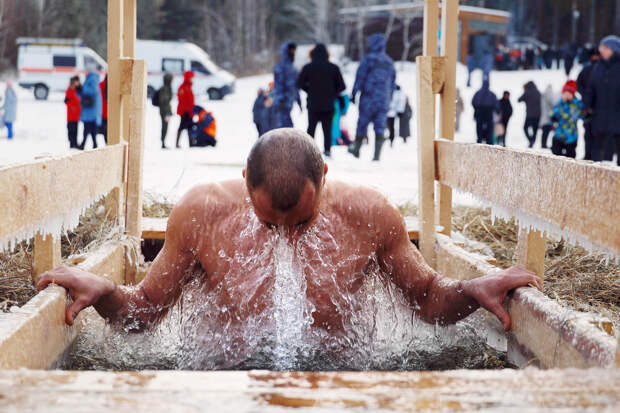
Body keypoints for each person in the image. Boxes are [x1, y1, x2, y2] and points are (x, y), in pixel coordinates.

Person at [37, 129, 541, 356]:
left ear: (323, 177)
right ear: (244, 183)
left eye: (301, 222)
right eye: (269, 224)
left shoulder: (367, 213)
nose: (286, 237)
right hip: (231, 382)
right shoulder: (203, 212)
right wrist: (103, 291)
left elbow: (427, 298)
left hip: (338, 378)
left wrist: (474, 288)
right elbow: (145, 312)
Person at [349, 33, 396, 161]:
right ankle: (376, 155)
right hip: (383, 100)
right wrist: (389, 98)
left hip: (368, 99)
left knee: (362, 124)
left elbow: (360, 78)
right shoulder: (389, 62)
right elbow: (392, 83)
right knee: (380, 126)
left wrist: (354, 94)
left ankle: (356, 149)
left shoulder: (368, 59)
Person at [297, 43, 346, 158]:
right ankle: (327, 151)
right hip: (328, 105)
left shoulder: (308, 67)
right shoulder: (333, 68)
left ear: (312, 54)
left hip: (313, 104)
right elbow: (342, 86)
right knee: (327, 129)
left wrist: (309, 90)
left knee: (311, 128)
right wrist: (332, 93)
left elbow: (299, 83)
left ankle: (308, 152)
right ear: (326, 54)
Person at [584, 35, 620, 165]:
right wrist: (587, 106)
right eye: (601, 47)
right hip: (600, 115)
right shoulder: (598, 67)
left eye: (605, 48)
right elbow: (591, 89)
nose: (601, 50)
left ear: (614, 50)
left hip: (617, 116)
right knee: (596, 151)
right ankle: (594, 179)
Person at [577, 48, 600, 160]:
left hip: (593, 108)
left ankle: (592, 155)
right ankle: (590, 155)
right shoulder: (588, 70)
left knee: (591, 134)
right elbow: (579, 85)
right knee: (590, 134)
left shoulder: (589, 70)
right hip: (591, 108)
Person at [550, 80, 582, 159]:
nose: (566, 96)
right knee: (556, 155)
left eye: (569, 94)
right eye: (565, 94)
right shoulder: (559, 104)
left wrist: (586, 115)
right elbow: (552, 112)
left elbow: (581, 114)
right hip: (559, 134)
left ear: (573, 95)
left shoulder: (576, 104)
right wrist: (553, 117)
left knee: (570, 156)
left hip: (571, 135)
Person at [273, 42, 301, 128]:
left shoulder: (294, 68)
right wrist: (280, 100)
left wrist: (299, 101)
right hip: (282, 104)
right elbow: (278, 85)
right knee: (284, 128)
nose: (293, 53)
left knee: (286, 128)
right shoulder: (280, 68)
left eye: (294, 51)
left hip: (289, 103)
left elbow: (296, 86)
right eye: (291, 51)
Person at [79, 72, 102, 150]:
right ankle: (93, 144)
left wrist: (82, 88)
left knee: (88, 129)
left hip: (91, 112)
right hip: (91, 112)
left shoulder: (92, 80)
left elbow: (91, 91)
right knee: (90, 130)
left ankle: (86, 144)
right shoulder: (92, 80)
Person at [472, 80, 498, 145]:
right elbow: (496, 104)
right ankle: (489, 142)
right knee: (489, 129)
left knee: (479, 128)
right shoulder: (492, 94)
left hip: (479, 113)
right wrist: (496, 110)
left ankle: (479, 140)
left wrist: (477, 108)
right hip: (488, 113)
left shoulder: (478, 93)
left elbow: (473, 102)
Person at [518, 81, 541, 148]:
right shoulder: (538, 92)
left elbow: (519, 100)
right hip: (538, 115)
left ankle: (530, 140)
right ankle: (533, 140)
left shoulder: (527, 92)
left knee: (525, 128)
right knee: (535, 129)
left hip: (529, 115)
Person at [64, 76, 81, 149]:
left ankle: (75, 143)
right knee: (71, 129)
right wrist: (72, 106)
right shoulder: (69, 90)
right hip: (71, 115)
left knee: (75, 129)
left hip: (76, 114)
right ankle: (72, 143)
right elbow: (67, 101)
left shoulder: (78, 90)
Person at [158, 73, 173, 149]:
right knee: (165, 126)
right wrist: (167, 111)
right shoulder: (165, 89)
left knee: (165, 126)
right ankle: (163, 142)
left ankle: (163, 142)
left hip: (166, 111)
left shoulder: (167, 88)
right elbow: (164, 101)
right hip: (165, 112)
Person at [540, 85, 558, 149]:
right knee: (546, 131)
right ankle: (544, 145)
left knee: (546, 131)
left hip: (545, 117)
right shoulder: (549, 95)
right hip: (548, 117)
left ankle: (544, 144)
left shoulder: (543, 96)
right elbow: (553, 103)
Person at [99, 74, 108, 144]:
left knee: (104, 130)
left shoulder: (100, 85)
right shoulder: (113, 86)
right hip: (110, 112)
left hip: (102, 112)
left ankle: (106, 142)